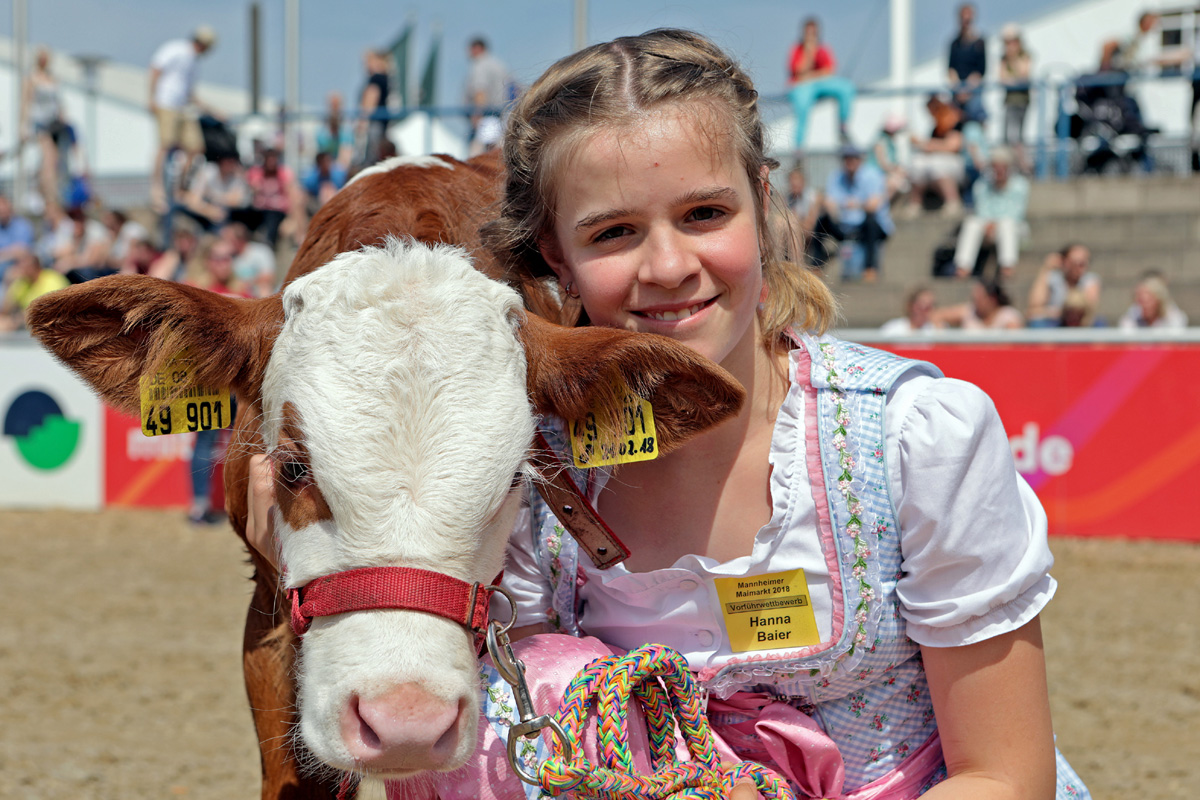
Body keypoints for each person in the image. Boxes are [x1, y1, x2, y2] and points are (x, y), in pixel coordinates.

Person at [148, 25, 218, 211]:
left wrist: (213, 110)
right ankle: (157, 190)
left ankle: (179, 189)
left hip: (183, 107)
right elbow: (155, 69)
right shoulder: (176, 49)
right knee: (165, 146)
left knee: (196, 147)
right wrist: (152, 98)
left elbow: (190, 94)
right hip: (166, 103)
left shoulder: (195, 63)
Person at [819, 143, 893, 282]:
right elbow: (829, 201)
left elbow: (874, 205)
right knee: (821, 221)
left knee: (871, 222)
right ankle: (816, 266)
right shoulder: (836, 176)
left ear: (859, 160)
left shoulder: (873, 175)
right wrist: (833, 208)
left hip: (871, 226)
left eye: (853, 158)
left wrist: (855, 204)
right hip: (846, 223)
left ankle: (870, 269)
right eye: (846, 158)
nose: (849, 162)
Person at [952, 147, 1028, 280]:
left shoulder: (1020, 185)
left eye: (1001, 167)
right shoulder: (981, 186)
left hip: (1014, 228)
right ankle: (963, 267)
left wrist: (995, 224)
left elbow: (1017, 214)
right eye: (995, 167)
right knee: (971, 223)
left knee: (1007, 224)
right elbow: (981, 211)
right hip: (988, 228)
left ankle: (1007, 267)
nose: (998, 171)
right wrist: (989, 225)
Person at [786, 17, 856, 150]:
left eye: (814, 33)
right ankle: (798, 148)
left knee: (846, 87)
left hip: (818, 84)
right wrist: (809, 52)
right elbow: (798, 72)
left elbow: (829, 71)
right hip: (802, 88)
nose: (811, 36)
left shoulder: (823, 49)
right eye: (808, 33)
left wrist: (810, 76)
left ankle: (843, 129)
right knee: (802, 105)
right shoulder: (796, 50)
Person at [902, 94, 964, 218]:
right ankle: (915, 203)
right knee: (917, 162)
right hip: (935, 161)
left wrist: (928, 145)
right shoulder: (935, 127)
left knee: (938, 166)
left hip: (955, 163)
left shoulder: (956, 121)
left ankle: (953, 202)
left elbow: (953, 146)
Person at [20, 46, 66, 207]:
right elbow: (25, 103)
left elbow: (58, 102)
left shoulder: (53, 78)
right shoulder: (31, 78)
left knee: (53, 160)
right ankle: (51, 196)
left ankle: (40, 191)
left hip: (54, 124)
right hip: (40, 123)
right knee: (49, 158)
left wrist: (63, 116)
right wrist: (23, 127)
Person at [1026, 244, 1101, 328]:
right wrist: (1046, 268)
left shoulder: (1090, 280)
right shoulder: (1052, 278)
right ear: (1064, 261)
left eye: (1082, 263)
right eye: (1074, 262)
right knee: (1037, 323)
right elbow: (1033, 309)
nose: (1078, 267)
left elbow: (1088, 310)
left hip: (1081, 324)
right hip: (1055, 323)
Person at [464, 37, 512, 156]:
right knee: (497, 153)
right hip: (502, 115)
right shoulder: (499, 64)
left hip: (488, 116)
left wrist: (478, 113)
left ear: (477, 49)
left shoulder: (481, 64)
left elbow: (480, 90)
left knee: (477, 156)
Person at [0, 251, 67, 333]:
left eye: (23, 266)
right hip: (26, 324)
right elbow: (5, 310)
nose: (20, 269)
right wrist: (8, 283)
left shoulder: (52, 279)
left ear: (34, 266)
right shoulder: (22, 282)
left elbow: (50, 311)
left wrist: (16, 320)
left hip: (52, 325)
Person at [998, 24, 1033, 167]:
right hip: (1009, 102)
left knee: (1019, 136)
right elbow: (1002, 79)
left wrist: (1012, 61)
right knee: (1008, 136)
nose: (1009, 45)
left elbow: (1024, 75)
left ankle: (1022, 165)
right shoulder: (1003, 59)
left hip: (1022, 101)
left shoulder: (1025, 56)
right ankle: (1010, 165)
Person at [947, 3, 986, 121]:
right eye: (963, 19)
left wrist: (967, 90)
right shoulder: (954, 44)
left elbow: (981, 70)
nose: (965, 22)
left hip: (974, 93)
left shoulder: (980, 43)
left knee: (975, 121)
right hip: (957, 93)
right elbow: (951, 69)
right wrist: (959, 90)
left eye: (968, 20)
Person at [936, 278, 1025, 330]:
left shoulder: (1009, 316)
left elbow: (1012, 345)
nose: (975, 302)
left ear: (992, 299)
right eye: (973, 298)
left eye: (979, 299)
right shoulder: (969, 311)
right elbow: (937, 315)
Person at [220, 221, 276, 299]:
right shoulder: (228, 257)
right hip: (236, 292)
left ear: (239, 239)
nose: (225, 243)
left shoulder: (260, 251)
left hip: (257, 292)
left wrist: (247, 283)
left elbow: (268, 277)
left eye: (228, 239)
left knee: (264, 288)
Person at [356, 49, 392, 168]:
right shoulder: (386, 78)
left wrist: (362, 120)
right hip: (382, 122)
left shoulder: (376, 79)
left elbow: (371, 99)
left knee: (371, 155)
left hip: (374, 122)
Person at [1118, 272, 1188, 330]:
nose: (1143, 306)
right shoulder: (1132, 316)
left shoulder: (1173, 316)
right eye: (1140, 301)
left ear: (1159, 300)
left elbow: (1173, 343)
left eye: (1148, 301)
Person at [869, 113, 910, 204]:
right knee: (895, 183)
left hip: (883, 173)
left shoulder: (889, 141)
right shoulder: (880, 141)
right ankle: (881, 206)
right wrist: (896, 170)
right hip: (875, 174)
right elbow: (883, 164)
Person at [0, 193, 35, 282]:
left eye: (3, 207)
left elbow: (22, 251)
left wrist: (4, 255)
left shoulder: (22, 225)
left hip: (18, 271)